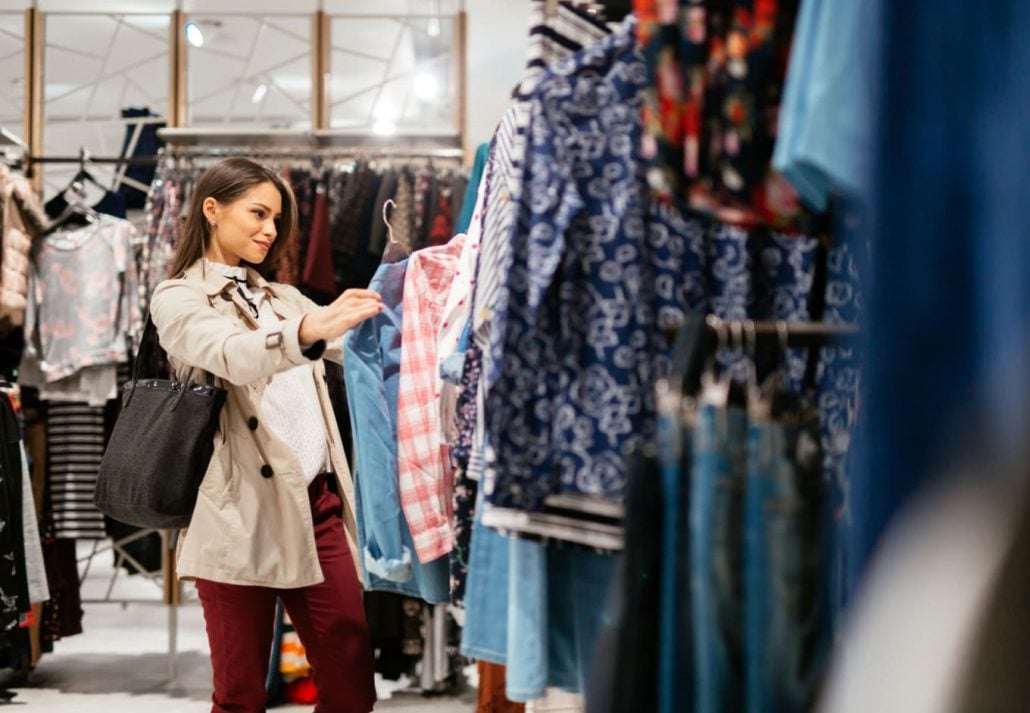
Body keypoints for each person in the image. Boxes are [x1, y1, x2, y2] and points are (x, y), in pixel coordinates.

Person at [150, 157, 383, 713]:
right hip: (238, 513)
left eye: (277, 219)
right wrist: (308, 329)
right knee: (239, 695)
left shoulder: (283, 297)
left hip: (317, 506)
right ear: (213, 209)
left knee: (351, 680)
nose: (270, 230)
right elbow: (231, 354)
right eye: (258, 213)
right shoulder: (178, 297)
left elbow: (350, 351)